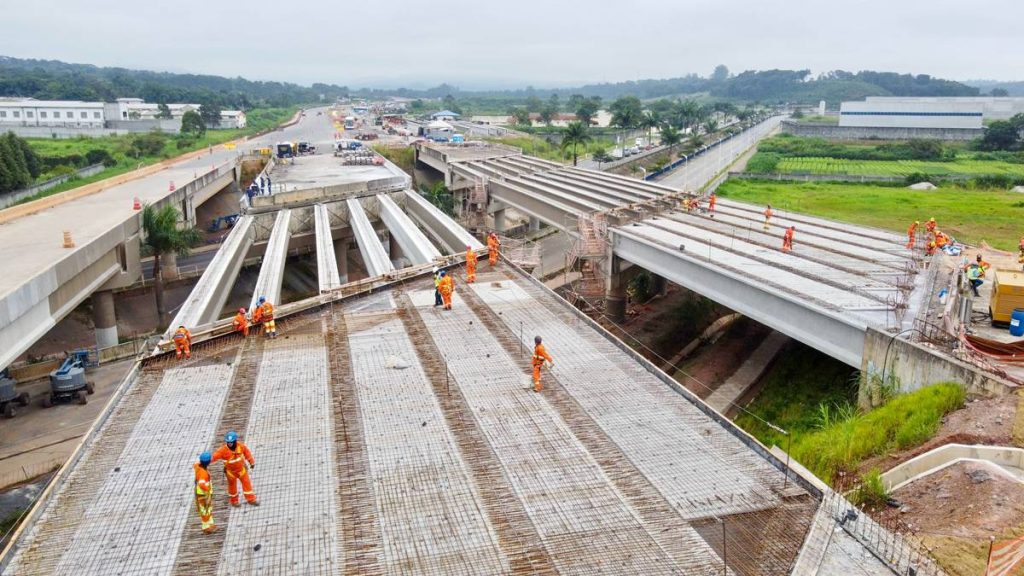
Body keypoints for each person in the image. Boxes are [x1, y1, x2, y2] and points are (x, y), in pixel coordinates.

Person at [211, 431, 259, 507]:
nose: (229, 443)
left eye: (231, 442)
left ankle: (251, 499)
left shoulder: (241, 446)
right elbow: (213, 457)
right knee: (232, 487)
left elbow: (247, 453)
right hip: (231, 473)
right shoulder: (222, 450)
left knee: (247, 484)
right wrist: (204, 462)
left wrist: (251, 462)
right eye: (228, 442)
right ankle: (234, 501)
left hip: (241, 470)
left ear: (235, 441)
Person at [194, 451, 216, 534]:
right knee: (205, 510)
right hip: (203, 494)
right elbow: (201, 484)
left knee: (208, 509)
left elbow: (196, 464)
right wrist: (207, 491)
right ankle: (206, 527)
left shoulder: (198, 467)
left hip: (203, 493)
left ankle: (210, 524)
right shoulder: (203, 473)